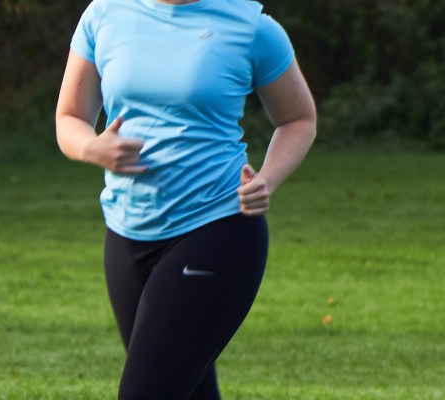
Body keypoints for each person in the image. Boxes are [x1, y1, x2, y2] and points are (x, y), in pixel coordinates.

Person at [54, 0, 315, 398]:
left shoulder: (250, 26)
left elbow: (298, 118)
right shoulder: (104, 14)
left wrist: (267, 179)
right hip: (126, 232)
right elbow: (70, 117)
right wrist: (92, 147)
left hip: (218, 229)